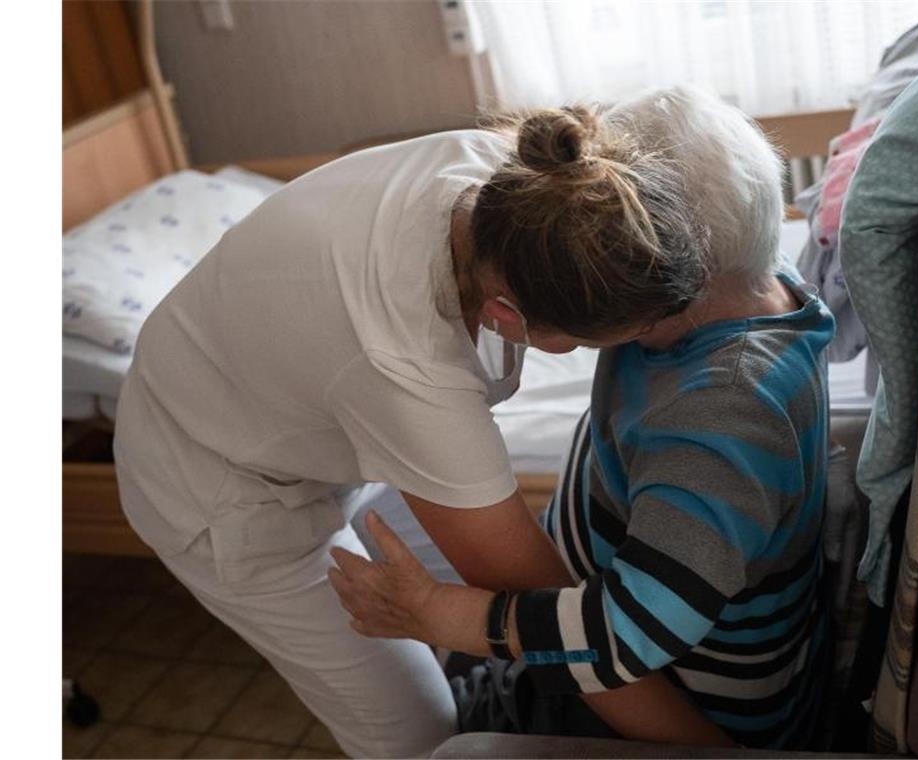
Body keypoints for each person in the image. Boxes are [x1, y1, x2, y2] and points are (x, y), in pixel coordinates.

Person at [113, 97, 731, 757]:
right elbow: (557, 621)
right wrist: (716, 752)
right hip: (216, 481)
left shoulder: (538, 183)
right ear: (508, 318)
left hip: (286, 390)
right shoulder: (405, 366)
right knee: (420, 732)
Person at [328, 86, 837, 749]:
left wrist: (435, 612)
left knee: (434, 722)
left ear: (671, 263)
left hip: (674, 701)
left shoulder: (725, 418)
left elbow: (629, 635)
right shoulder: (760, 280)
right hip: (611, 631)